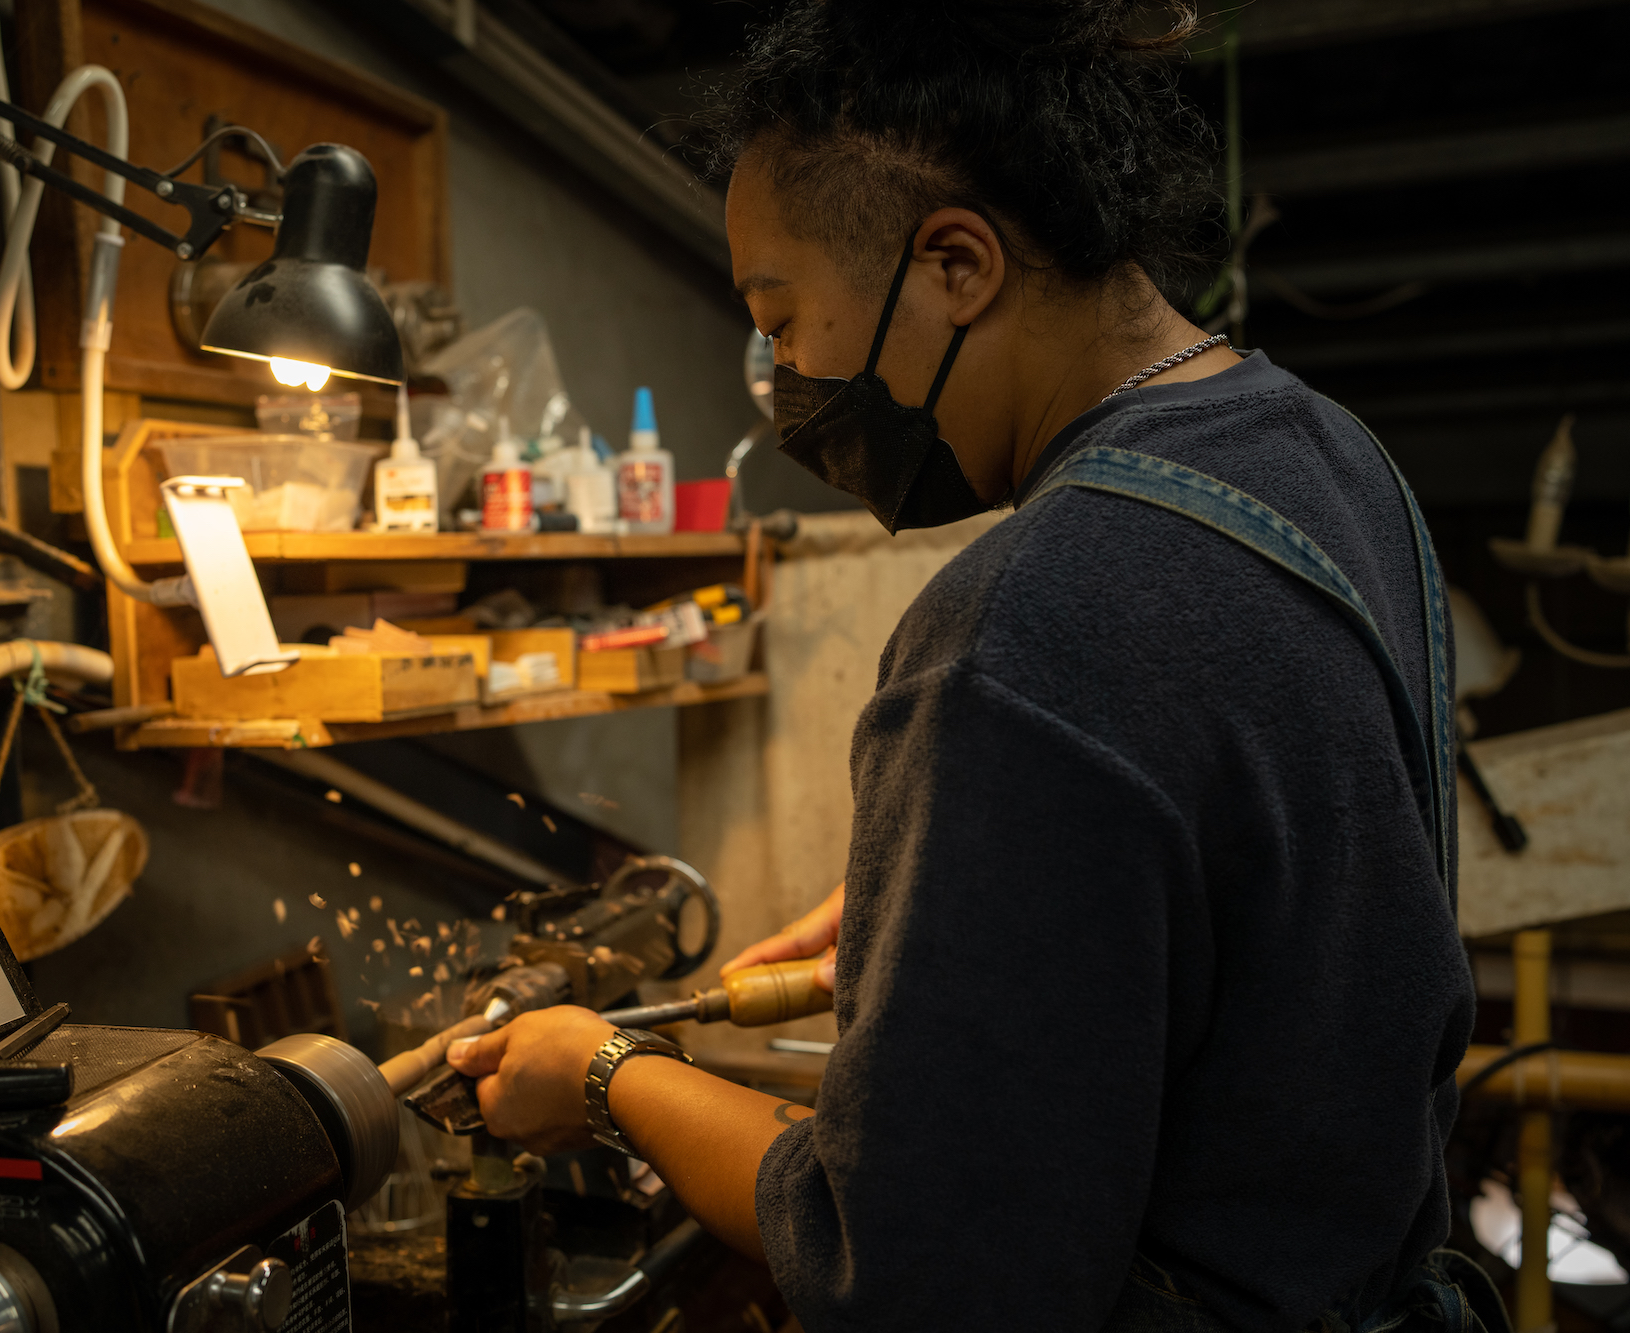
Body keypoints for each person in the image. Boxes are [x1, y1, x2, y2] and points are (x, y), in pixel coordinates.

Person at [445, 2, 1494, 1329]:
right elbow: (1265, 878)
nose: (786, 381)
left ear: (955, 266)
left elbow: (912, 1274)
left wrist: (600, 1069)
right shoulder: (1336, 460)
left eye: (783, 318)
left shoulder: (1016, 628)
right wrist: (970, 890)